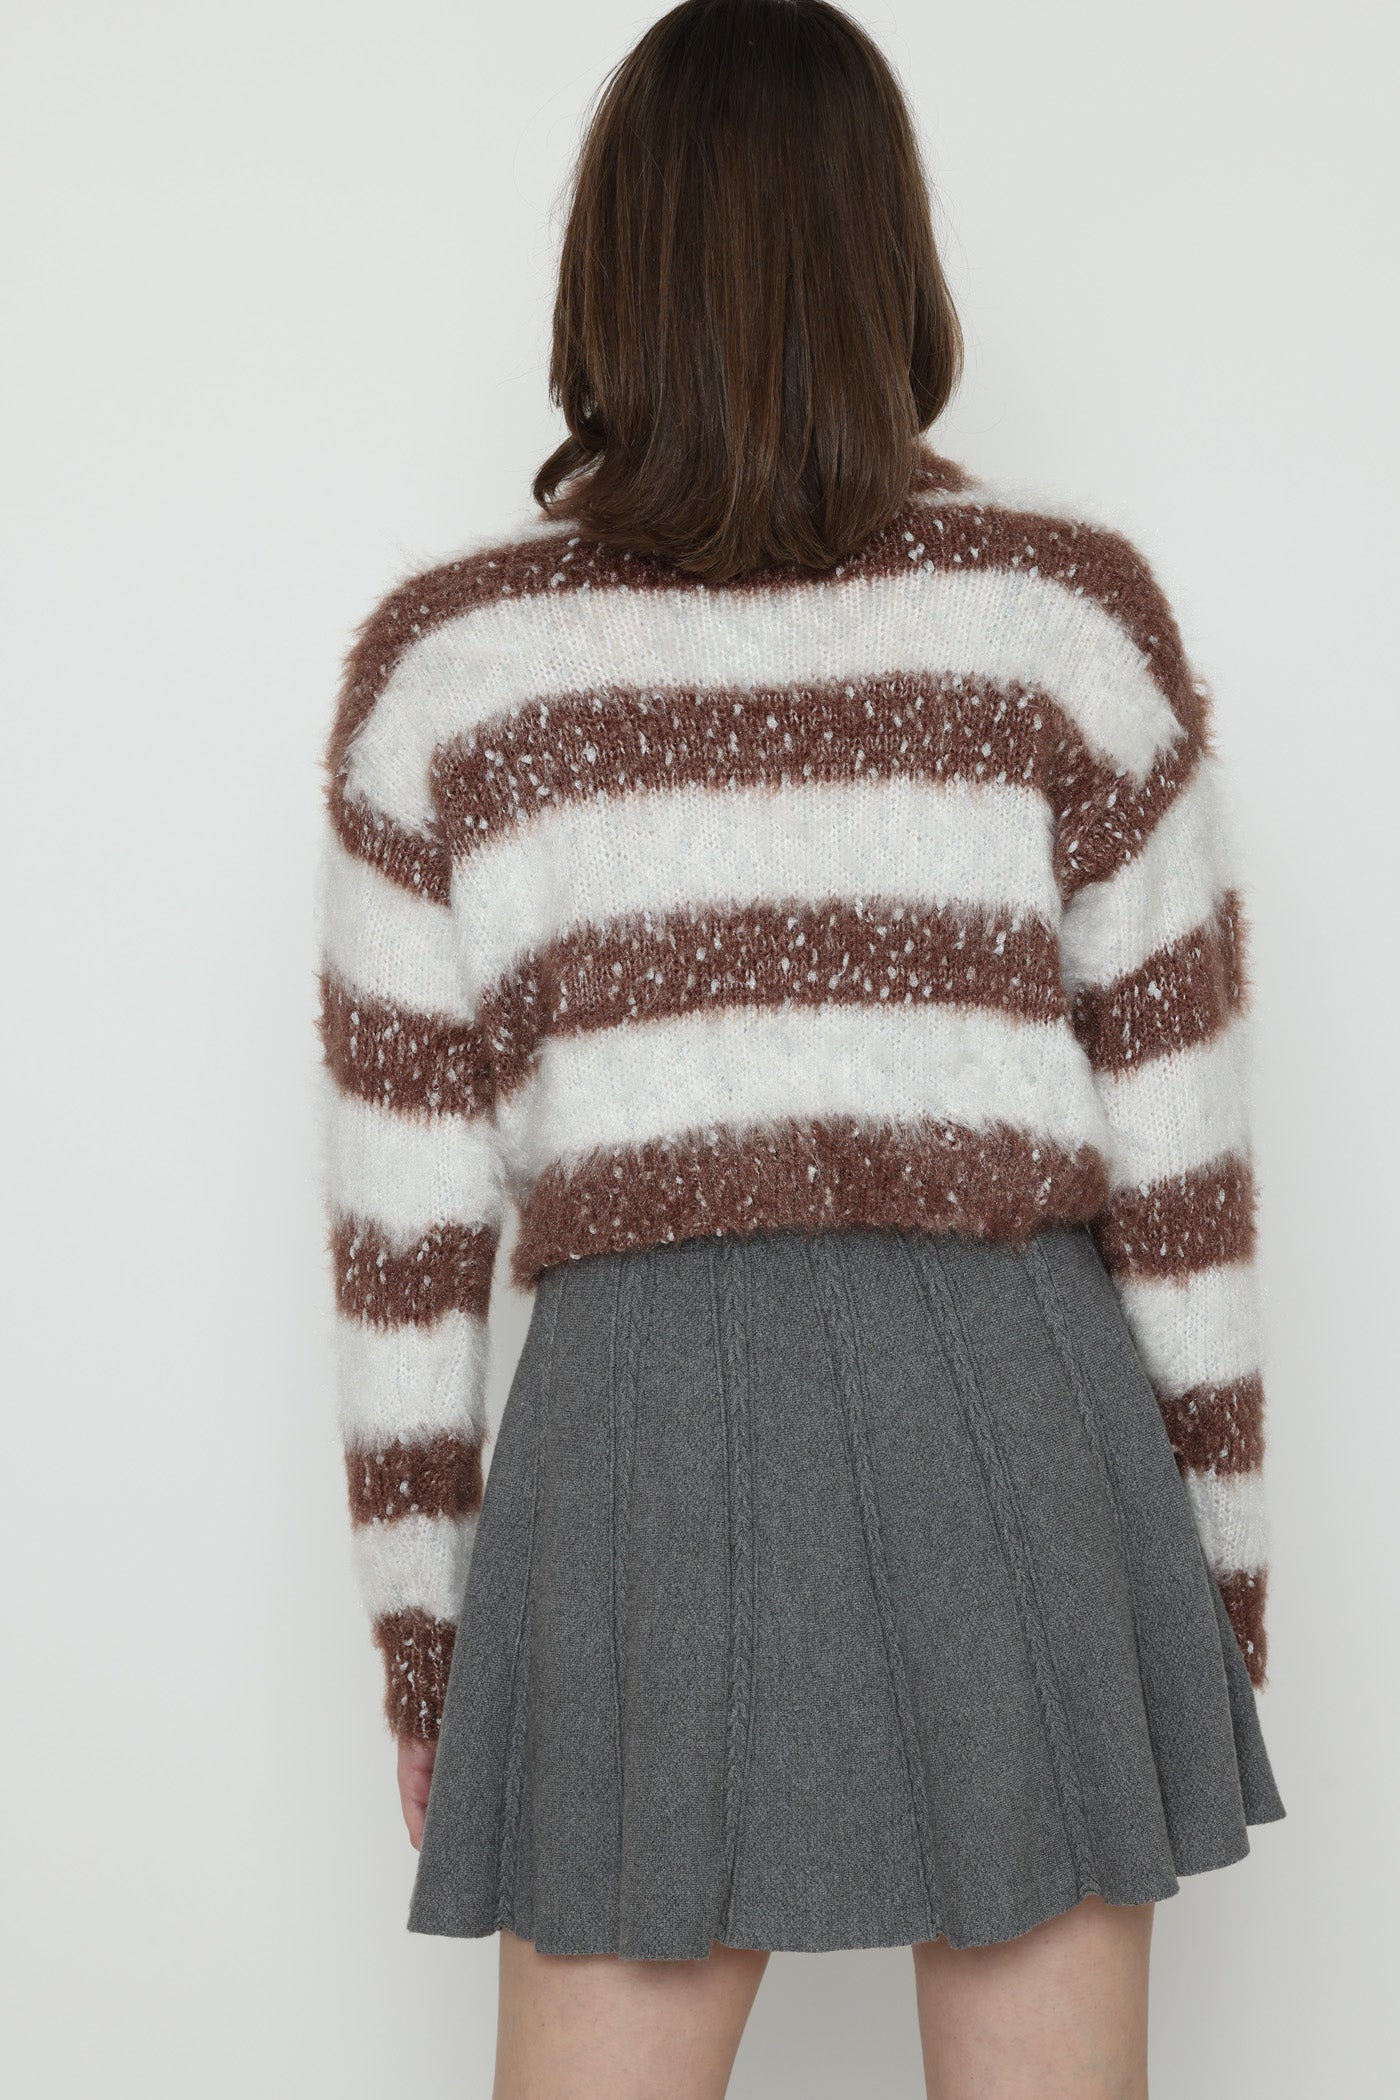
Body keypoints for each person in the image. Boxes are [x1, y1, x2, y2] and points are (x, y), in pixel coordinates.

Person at [314, 2, 1284, 2092]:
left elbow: (404, 1247)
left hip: (628, 1458)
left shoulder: (449, 674)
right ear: (889, 263)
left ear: (609, 270)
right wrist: (1208, 1584)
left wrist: (427, 1641)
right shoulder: (1065, 621)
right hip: (1019, 1423)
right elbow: (1184, 1179)